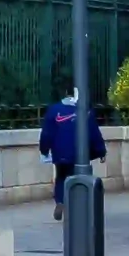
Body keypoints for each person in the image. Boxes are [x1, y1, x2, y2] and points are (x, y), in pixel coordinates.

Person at [37, 88, 106, 219]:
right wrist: (100, 150)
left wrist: (44, 150)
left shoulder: (54, 110)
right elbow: (94, 133)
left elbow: (46, 133)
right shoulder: (85, 111)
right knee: (81, 177)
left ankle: (60, 202)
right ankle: (79, 206)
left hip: (61, 153)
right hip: (81, 153)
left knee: (61, 177)